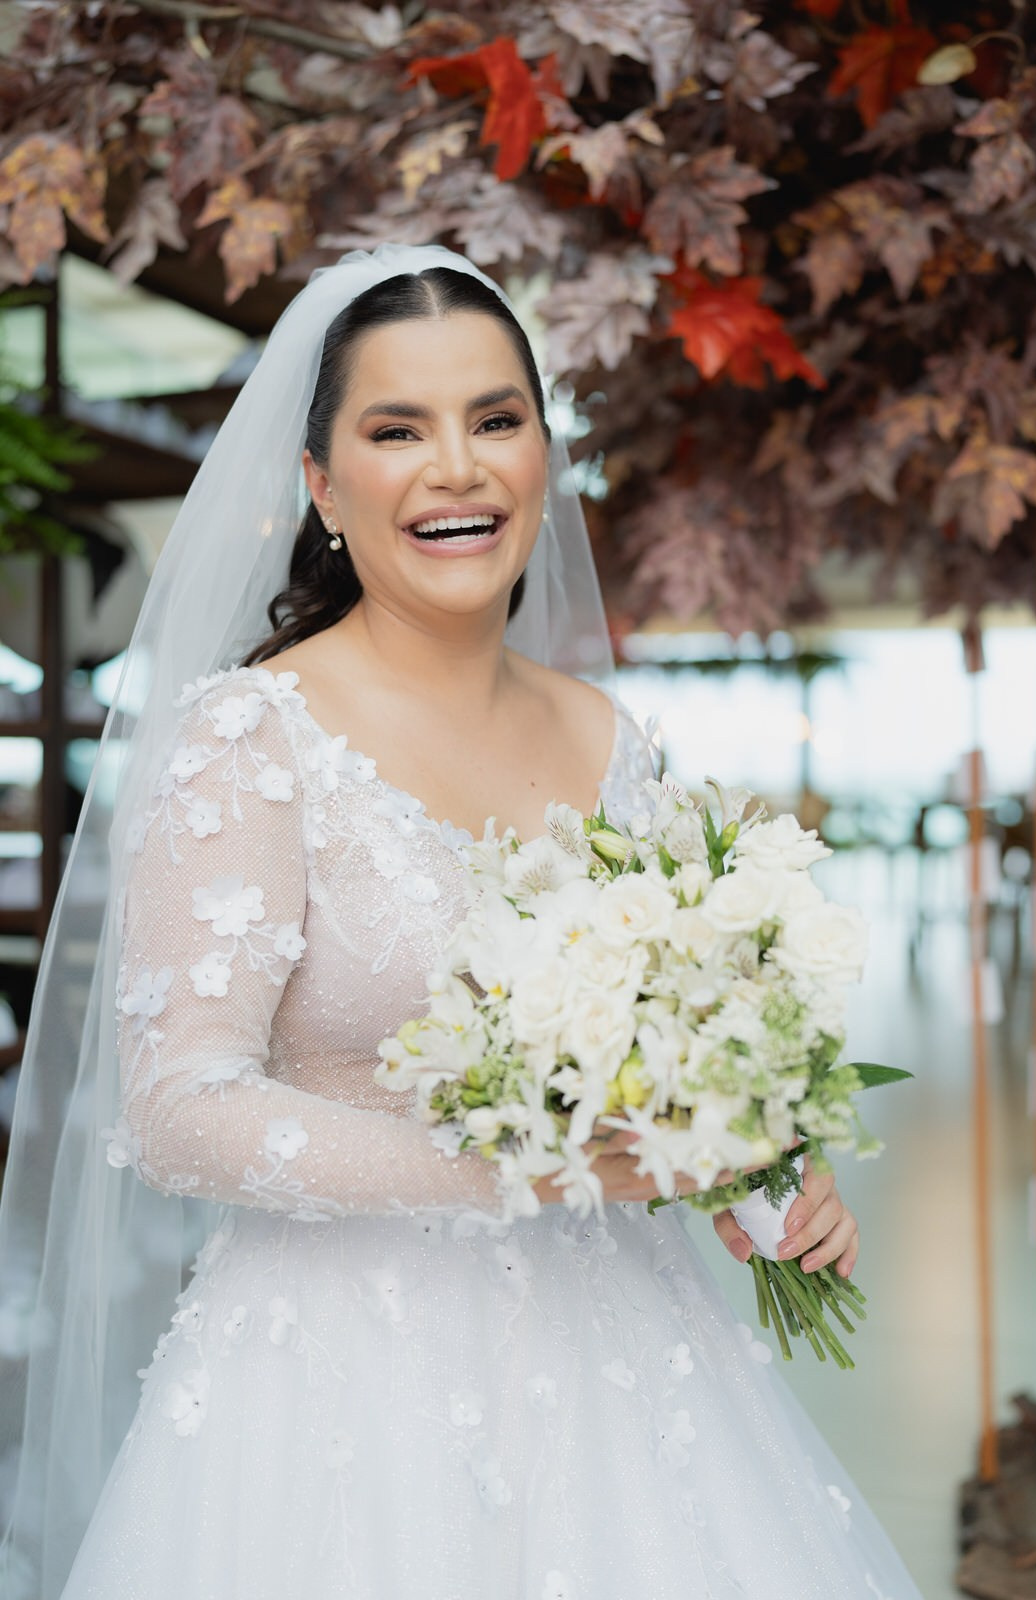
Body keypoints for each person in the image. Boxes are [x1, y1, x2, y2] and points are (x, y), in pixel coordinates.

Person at [0, 245, 921, 1599]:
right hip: (336, 1397)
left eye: (497, 420)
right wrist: (528, 1174)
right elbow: (186, 1106)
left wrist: (755, 1159)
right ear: (320, 482)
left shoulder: (610, 738)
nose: (458, 468)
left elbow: (666, 1025)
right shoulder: (251, 739)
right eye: (397, 430)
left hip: (628, 1368)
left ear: (545, 454)